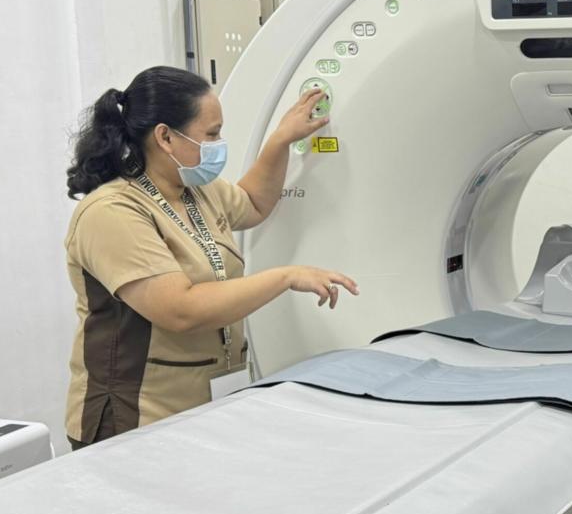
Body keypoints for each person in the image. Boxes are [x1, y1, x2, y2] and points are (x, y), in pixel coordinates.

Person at [62, 65, 357, 449]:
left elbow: (253, 202)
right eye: (212, 134)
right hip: (136, 418)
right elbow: (179, 309)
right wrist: (284, 277)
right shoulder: (112, 212)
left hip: (202, 406)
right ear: (165, 137)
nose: (220, 144)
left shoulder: (194, 190)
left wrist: (280, 141)